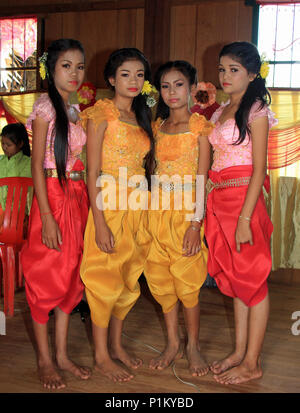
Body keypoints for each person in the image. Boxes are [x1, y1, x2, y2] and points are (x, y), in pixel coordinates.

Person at [80, 48, 155, 382]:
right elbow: (91, 171)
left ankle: (116, 345)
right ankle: (100, 356)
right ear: (111, 78)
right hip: (108, 203)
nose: (134, 81)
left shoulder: (141, 117)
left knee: (128, 274)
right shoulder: (100, 114)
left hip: (138, 205)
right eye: (126, 74)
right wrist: (98, 222)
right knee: (103, 277)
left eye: (139, 74)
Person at [205, 41, 277, 385]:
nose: (225, 76)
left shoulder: (256, 109)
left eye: (234, 70)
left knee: (254, 281)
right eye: (222, 69)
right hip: (219, 200)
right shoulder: (220, 111)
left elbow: (260, 167)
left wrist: (246, 219)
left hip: (244, 202)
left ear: (251, 74)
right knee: (235, 281)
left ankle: (253, 362)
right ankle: (238, 351)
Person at [20, 39, 91, 390]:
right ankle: (45, 360)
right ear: (52, 69)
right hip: (52, 195)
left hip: (77, 196)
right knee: (47, 273)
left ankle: (62, 354)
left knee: (72, 275)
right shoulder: (47, 105)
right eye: (67, 66)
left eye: (79, 66)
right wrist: (46, 215)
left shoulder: (75, 109)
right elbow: (37, 165)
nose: (75, 73)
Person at [143, 61, 214, 376]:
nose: (172, 92)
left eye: (179, 84)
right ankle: (172, 343)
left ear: (193, 86)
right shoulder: (156, 128)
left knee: (188, 282)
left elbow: (202, 179)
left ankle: (193, 345)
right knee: (160, 280)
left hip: (186, 214)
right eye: (165, 86)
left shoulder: (201, 128)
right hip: (155, 211)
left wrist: (195, 223)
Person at [0, 123, 31, 210]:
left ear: (20, 144)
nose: (4, 147)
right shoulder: (0, 160)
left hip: (17, 212)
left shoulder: (29, 163)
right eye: (2, 143)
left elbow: (24, 193)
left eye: (9, 145)